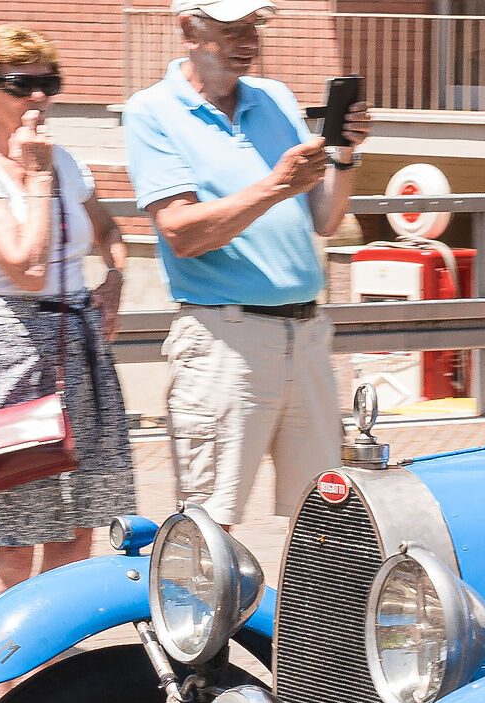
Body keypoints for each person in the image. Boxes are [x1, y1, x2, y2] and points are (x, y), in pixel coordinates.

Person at [123, 0, 373, 530]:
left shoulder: (276, 97)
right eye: (232, 28)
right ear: (188, 29)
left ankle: (312, 617)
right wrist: (275, 186)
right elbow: (180, 233)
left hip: (306, 336)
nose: (248, 42)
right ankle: (205, 617)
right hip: (224, 341)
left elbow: (325, 220)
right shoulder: (151, 111)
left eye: (254, 26)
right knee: (210, 528)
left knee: (330, 521)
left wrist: (344, 156)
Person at [0, 25, 134, 601]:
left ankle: (57, 678)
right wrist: (38, 176)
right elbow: (24, 266)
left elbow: (108, 228)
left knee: (78, 527)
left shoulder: (67, 162)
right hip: (12, 346)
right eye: (22, 84)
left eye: (48, 83)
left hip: (78, 339)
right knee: (18, 533)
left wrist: (115, 280)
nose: (39, 98)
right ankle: (5, 685)